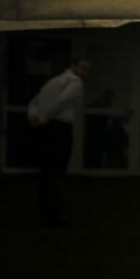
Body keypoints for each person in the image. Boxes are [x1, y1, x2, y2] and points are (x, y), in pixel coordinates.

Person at [28, 56, 91, 226]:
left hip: (47, 129)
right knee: (57, 172)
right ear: (73, 66)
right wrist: (42, 117)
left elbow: (35, 101)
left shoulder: (54, 81)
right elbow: (61, 101)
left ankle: (46, 211)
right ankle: (56, 214)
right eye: (82, 67)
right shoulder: (75, 83)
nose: (85, 72)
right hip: (59, 129)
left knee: (47, 171)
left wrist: (34, 116)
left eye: (87, 69)